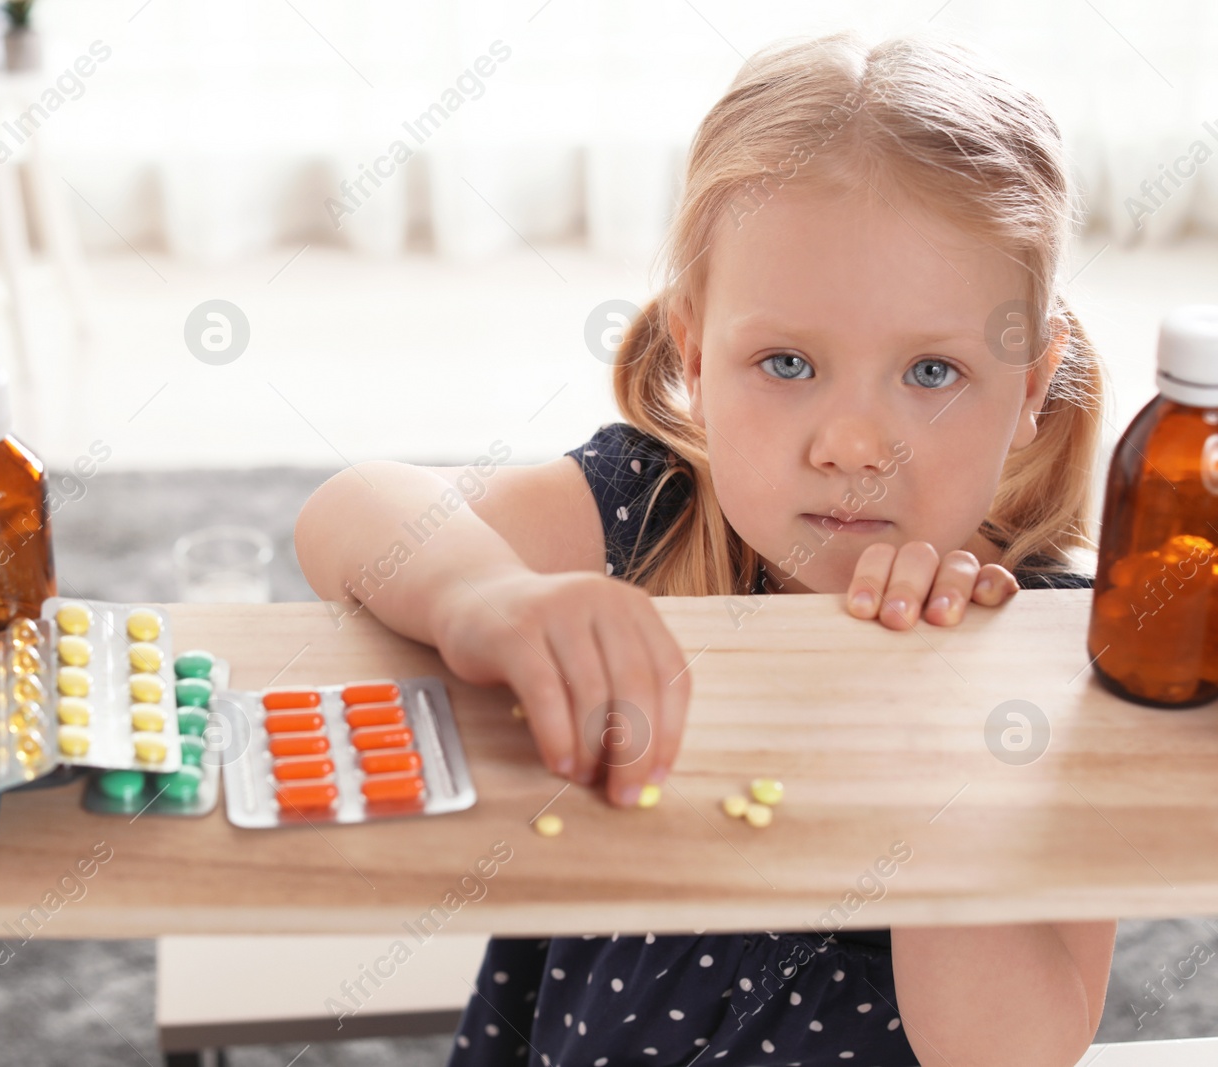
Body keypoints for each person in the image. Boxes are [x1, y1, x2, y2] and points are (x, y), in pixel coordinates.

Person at [294, 30, 1115, 1066]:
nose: (851, 445)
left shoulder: (1052, 641)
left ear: (1034, 383)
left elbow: (1014, 1049)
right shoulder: (648, 511)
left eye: (932, 372)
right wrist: (483, 598)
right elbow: (349, 511)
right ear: (691, 350)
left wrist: (934, 724)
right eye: (785, 361)